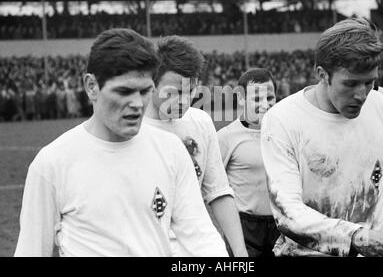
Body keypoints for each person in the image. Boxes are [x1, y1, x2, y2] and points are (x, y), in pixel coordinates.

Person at [15, 28, 228, 257]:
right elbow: (32, 251)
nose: (137, 103)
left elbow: (200, 236)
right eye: (124, 91)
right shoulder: (52, 164)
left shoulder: (171, 150)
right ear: (91, 86)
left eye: (145, 91)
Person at [260, 18, 383, 257]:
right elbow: (288, 213)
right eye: (350, 84)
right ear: (322, 74)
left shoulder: (382, 108)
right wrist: (356, 237)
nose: (361, 94)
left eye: (370, 82)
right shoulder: (282, 119)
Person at [143, 35, 248, 257]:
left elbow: (218, 192)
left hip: (198, 248)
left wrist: (239, 252)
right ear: (151, 83)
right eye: (174, 92)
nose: (184, 100)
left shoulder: (199, 121)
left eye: (190, 91)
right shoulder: (132, 128)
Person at [217, 68, 280, 257]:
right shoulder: (226, 137)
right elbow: (212, 187)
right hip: (245, 227)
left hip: (282, 223)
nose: (265, 104)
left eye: (269, 98)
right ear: (242, 99)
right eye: (257, 99)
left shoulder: (286, 133)